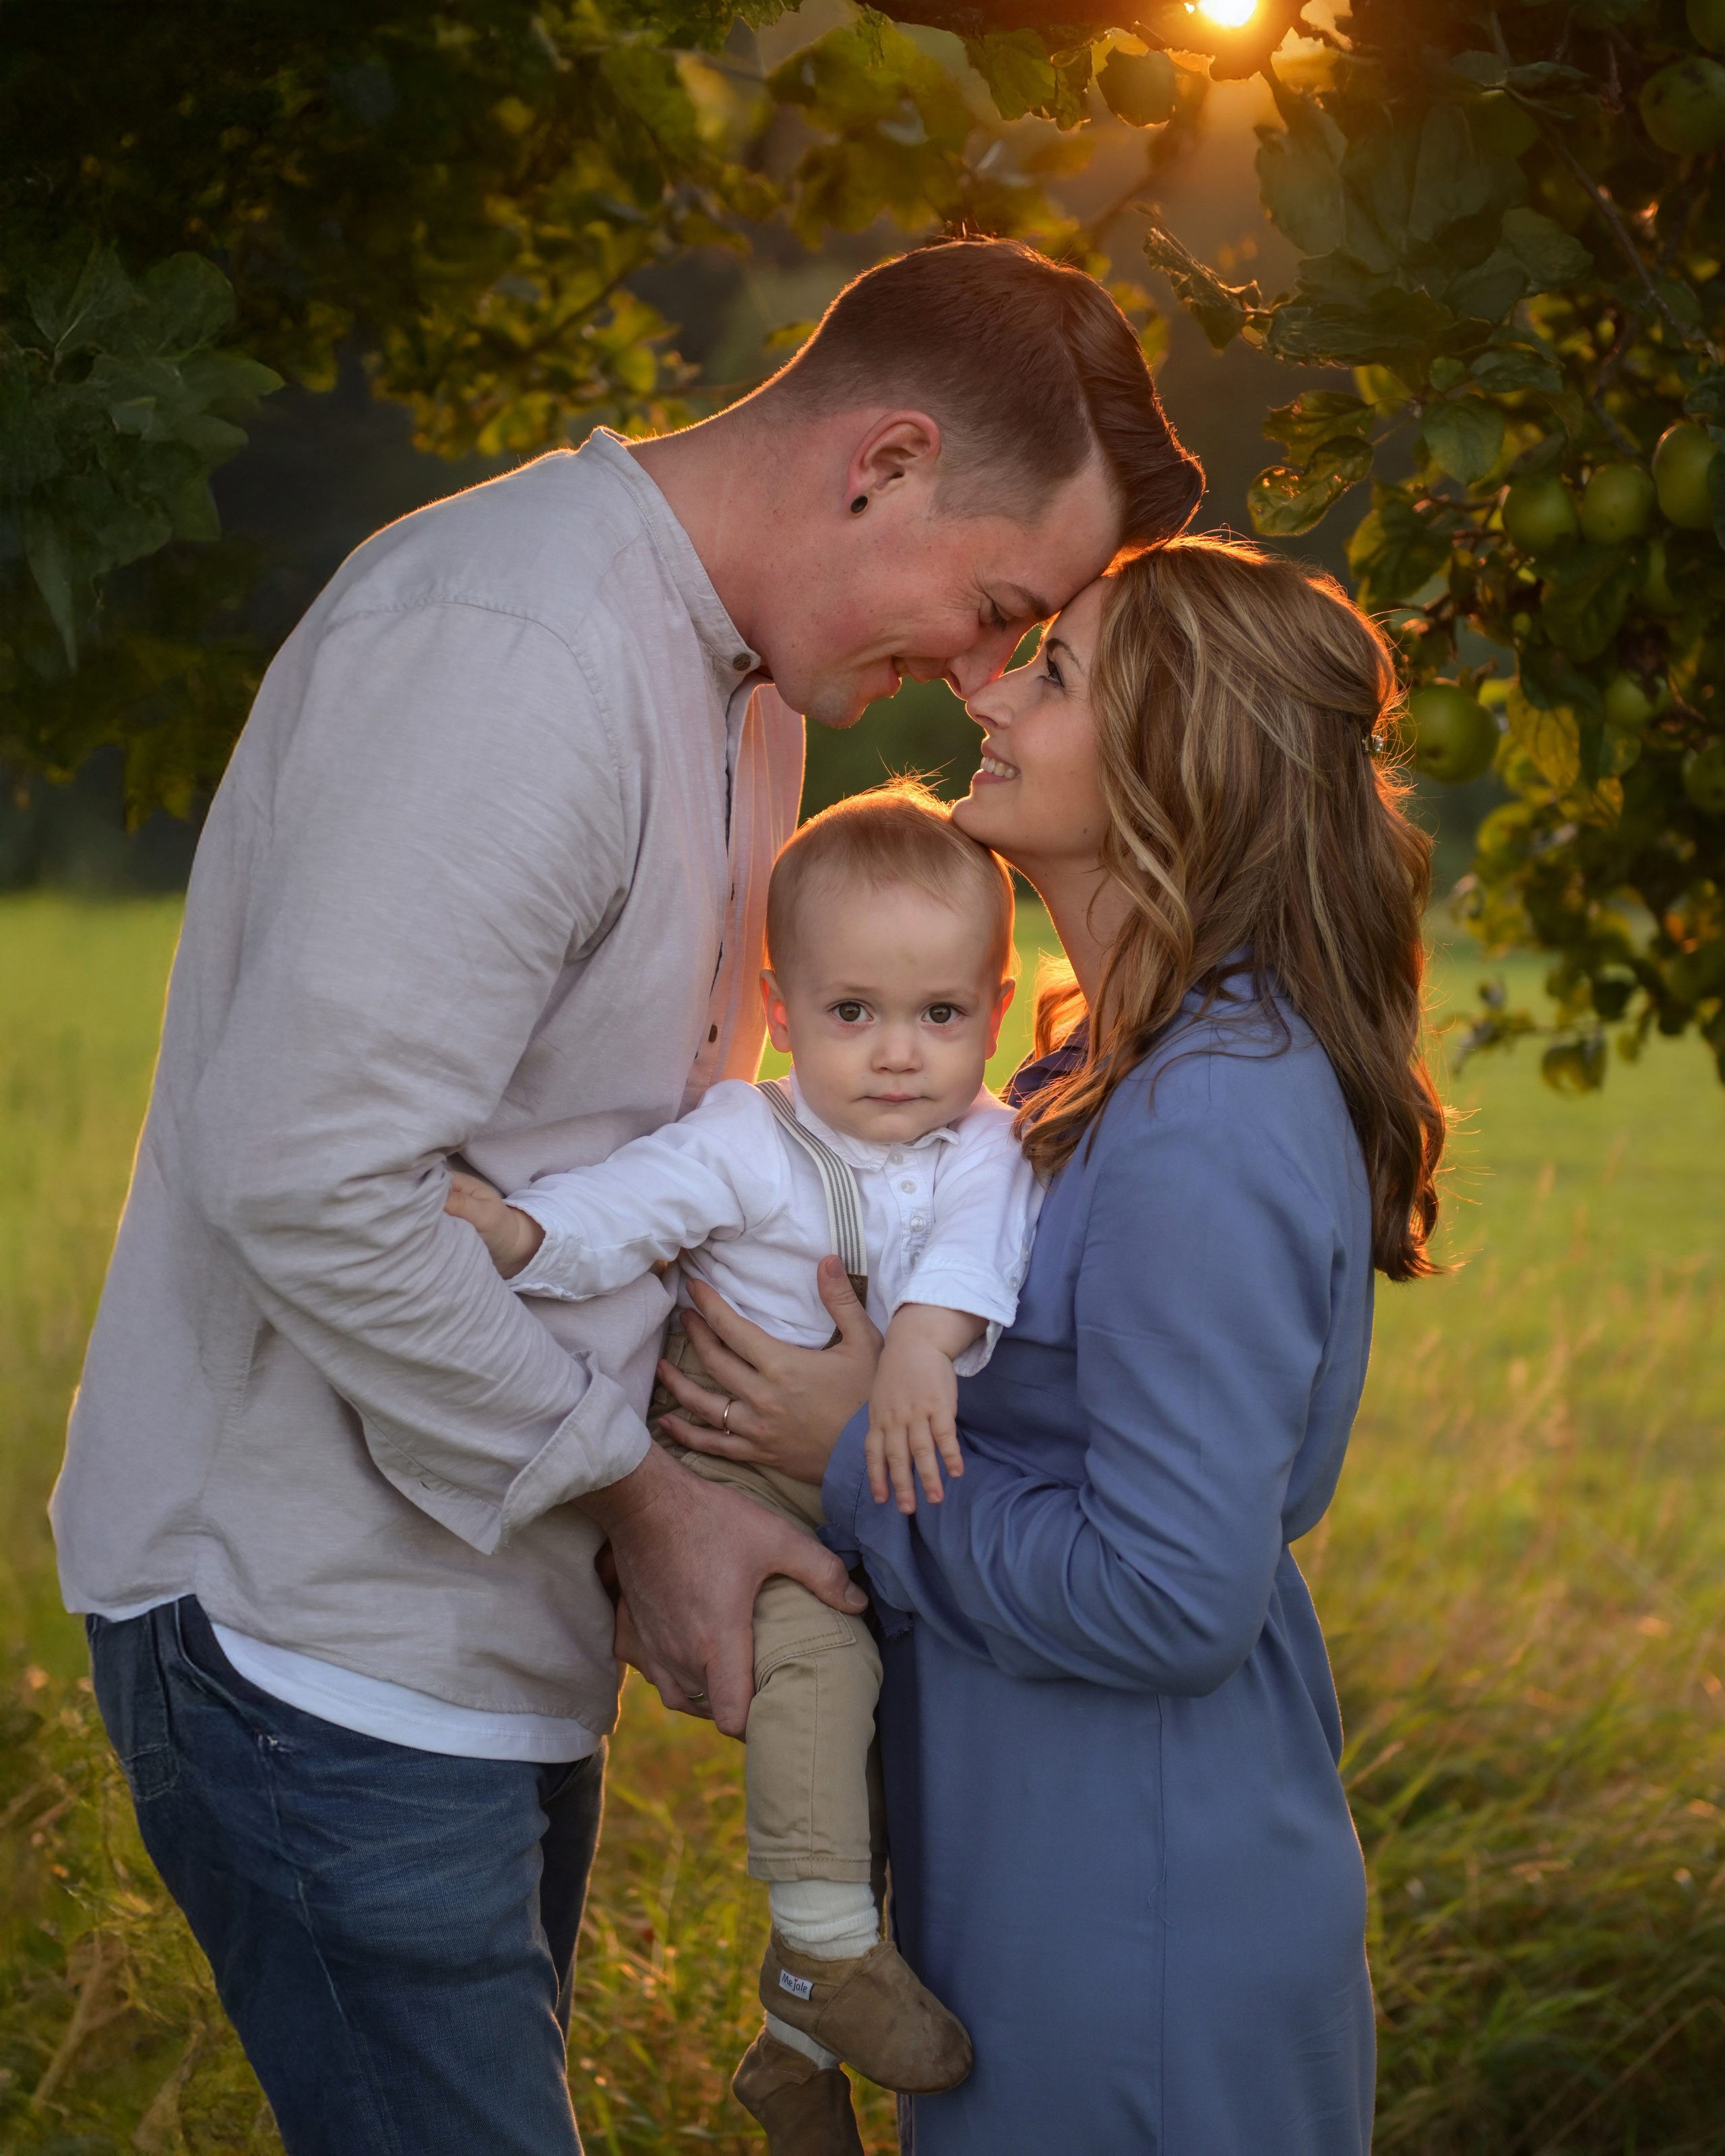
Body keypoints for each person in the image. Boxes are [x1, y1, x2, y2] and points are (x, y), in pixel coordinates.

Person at [49, 235, 1203, 2155]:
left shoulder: (747, 684)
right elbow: (311, 1179)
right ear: (884, 462)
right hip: (312, 1641)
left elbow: (640, 1153)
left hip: (475, 1629)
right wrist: (642, 1498)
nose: (984, 673)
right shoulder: (518, 651)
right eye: (999, 603)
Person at [660, 536, 1447, 2151]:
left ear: (1177, 760)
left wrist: (848, 1460)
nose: (984, 686)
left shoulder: (1208, 1117)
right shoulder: (1100, 1065)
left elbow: (1169, 1595)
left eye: (1055, 672)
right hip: (1041, 1847)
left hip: (1139, 1899)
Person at [447, 784, 1040, 2153]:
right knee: (822, 1668)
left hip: (887, 1469)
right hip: (743, 1480)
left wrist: (919, 1348)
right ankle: (827, 1947)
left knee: (902, 1749)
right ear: (780, 1007)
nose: (898, 1054)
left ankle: (789, 2051)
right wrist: (528, 1235)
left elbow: (972, 1255)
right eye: (853, 1013)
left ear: (994, 1016)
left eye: (939, 1016)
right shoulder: (747, 1136)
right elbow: (631, 1202)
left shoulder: (990, 1143)